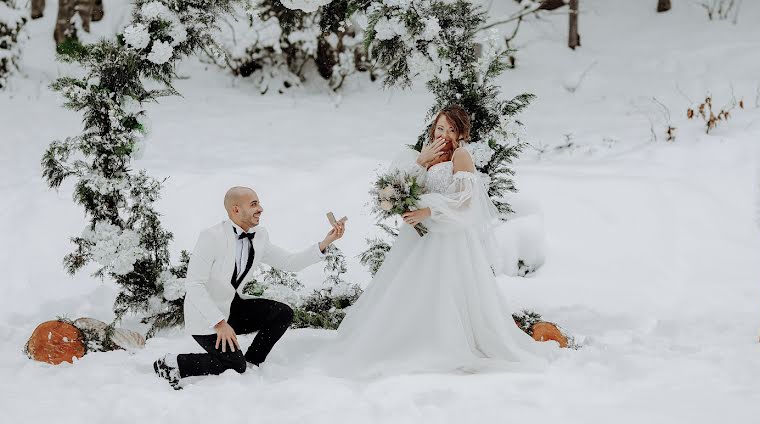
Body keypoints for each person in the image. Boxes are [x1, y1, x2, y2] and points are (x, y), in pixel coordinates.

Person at [317, 106, 556, 377]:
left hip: (448, 239)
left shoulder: (460, 155)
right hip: (417, 238)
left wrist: (428, 211)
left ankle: (445, 344)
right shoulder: (426, 153)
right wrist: (419, 164)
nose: (444, 135)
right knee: (411, 289)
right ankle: (407, 340)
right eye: (440, 128)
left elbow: (466, 201)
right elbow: (404, 186)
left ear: (461, 133)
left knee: (444, 290)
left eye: (451, 130)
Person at [153, 186, 346, 388]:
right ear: (236, 210)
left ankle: (251, 362)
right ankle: (173, 363)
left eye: (259, 203)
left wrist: (327, 241)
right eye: (254, 204)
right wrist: (219, 323)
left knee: (282, 313)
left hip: (232, 308)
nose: (260, 209)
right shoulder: (211, 237)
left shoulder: (259, 236)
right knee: (233, 365)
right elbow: (194, 285)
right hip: (206, 315)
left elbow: (290, 262)